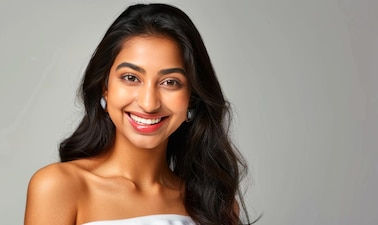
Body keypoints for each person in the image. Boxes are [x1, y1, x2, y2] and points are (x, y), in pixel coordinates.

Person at [24, 3, 253, 225]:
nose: (148, 103)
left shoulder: (216, 206)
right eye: (131, 78)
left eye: (170, 82)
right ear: (105, 86)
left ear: (192, 98)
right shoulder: (58, 187)